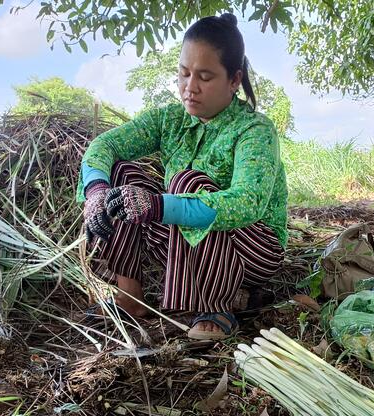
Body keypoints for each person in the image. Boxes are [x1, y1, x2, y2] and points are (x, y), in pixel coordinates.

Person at [80, 13, 288, 341]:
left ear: (234, 80)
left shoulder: (254, 130)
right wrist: (95, 191)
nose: (190, 88)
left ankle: (216, 306)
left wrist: (160, 206)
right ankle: (130, 297)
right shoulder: (170, 120)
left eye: (205, 77)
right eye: (184, 73)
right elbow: (105, 145)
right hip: (187, 246)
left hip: (253, 247)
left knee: (186, 183)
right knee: (120, 176)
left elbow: (248, 202)